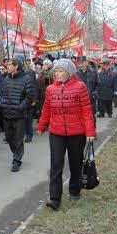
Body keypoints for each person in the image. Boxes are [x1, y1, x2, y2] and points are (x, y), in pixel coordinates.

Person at [37, 59, 96, 210]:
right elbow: (46, 109)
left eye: (61, 71)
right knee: (56, 164)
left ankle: (74, 190)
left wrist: (90, 132)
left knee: (75, 163)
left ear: (69, 72)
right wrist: (42, 126)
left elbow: (87, 111)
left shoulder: (80, 87)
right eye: (56, 71)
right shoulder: (50, 89)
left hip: (76, 133)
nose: (57, 74)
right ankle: (54, 198)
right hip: (56, 133)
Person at [1, 58, 36, 172]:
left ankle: (17, 160)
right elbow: (2, 93)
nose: (8, 66)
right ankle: (15, 153)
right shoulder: (6, 79)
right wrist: (2, 103)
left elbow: (29, 96)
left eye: (10, 65)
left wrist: (21, 106)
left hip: (19, 115)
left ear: (16, 66)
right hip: (7, 113)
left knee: (18, 139)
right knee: (10, 138)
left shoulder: (26, 79)